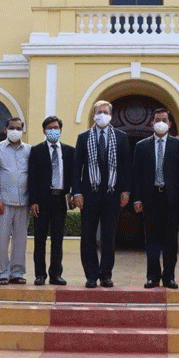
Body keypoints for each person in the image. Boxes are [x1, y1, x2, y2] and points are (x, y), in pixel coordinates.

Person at [71, 100, 132, 288]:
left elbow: (127, 167)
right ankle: (91, 275)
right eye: (99, 112)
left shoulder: (121, 137)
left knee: (109, 236)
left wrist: (126, 190)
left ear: (111, 115)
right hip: (89, 194)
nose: (102, 115)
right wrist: (76, 192)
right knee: (88, 236)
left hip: (113, 194)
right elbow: (76, 167)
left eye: (105, 112)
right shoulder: (83, 137)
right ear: (93, 115)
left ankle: (106, 275)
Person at [132, 108, 179, 289]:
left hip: (171, 198)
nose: (161, 123)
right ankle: (152, 277)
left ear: (170, 123)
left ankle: (169, 277)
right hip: (150, 197)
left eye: (164, 119)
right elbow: (137, 175)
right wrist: (137, 199)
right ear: (152, 123)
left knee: (170, 239)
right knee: (152, 240)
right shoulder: (142, 146)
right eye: (157, 119)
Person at [28, 116, 74, 286]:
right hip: (42, 200)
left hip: (60, 199)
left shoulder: (70, 151)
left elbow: (74, 176)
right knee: (40, 239)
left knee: (57, 239)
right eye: (49, 128)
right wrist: (33, 201)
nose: (53, 130)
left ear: (61, 130)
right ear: (44, 131)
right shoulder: (36, 150)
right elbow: (32, 177)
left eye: (56, 127)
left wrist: (73, 194)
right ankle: (40, 274)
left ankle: (56, 274)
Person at [0, 117, 31, 285]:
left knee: (21, 241)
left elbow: (32, 175)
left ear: (23, 130)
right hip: (3, 203)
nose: (15, 131)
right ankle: (2, 273)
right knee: (2, 240)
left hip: (24, 202)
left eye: (18, 128)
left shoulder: (29, 150)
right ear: (5, 129)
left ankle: (17, 273)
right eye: (12, 128)